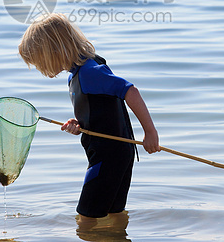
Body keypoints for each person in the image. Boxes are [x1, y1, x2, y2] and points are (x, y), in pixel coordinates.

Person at [18, 13, 160, 227]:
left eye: (40, 61)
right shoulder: (77, 75)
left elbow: (130, 91)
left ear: (54, 51)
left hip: (108, 157)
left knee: (87, 217)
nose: (40, 68)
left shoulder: (90, 72)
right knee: (114, 213)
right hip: (116, 154)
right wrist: (79, 124)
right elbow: (99, 111)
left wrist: (150, 132)